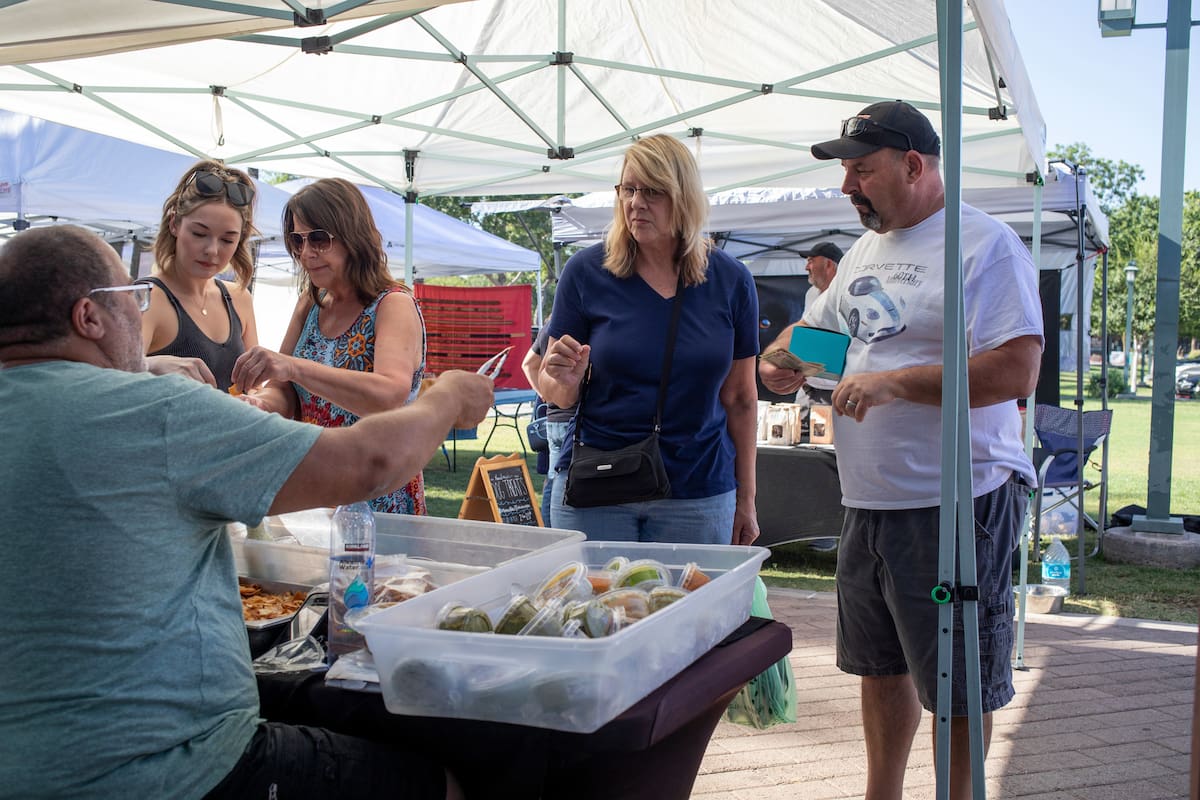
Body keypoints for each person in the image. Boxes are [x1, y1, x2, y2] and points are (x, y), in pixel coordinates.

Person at [0, 225, 493, 799]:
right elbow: (371, 462)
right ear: (89, 317)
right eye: (132, 298)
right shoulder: (154, 411)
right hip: (169, 766)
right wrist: (446, 398)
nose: (140, 313)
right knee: (446, 783)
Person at [759, 101, 1043, 800]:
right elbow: (827, 340)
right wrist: (784, 361)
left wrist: (895, 384)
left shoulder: (984, 245)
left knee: (959, 685)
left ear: (913, 165)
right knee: (879, 669)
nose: (847, 186)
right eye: (847, 172)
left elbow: (1016, 370)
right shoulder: (866, 251)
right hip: (868, 502)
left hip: (957, 504)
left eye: (862, 170)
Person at [540, 134, 761, 546]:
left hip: (698, 491)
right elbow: (556, 391)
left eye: (653, 191)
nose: (636, 203)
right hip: (599, 485)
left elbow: (741, 398)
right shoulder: (586, 272)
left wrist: (747, 497)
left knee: (694, 593)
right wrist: (562, 379)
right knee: (591, 593)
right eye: (628, 189)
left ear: (684, 197)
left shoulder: (731, 280)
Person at [232, 178, 429, 514]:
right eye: (297, 240)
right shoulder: (310, 303)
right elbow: (284, 390)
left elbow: (388, 395)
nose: (306, 253)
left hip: (381, 497)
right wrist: (259, 404)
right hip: (319, 492)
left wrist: (294, 367)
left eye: (319, 239)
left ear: (353, 235)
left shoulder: (392, 304)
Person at [140, 160, 261, 391]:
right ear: (174, 224)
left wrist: (257, 396)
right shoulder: (147, 299)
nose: (212, 250)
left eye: (227, 240)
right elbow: (110, 377)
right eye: (199, 233)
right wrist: (149, 366)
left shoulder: (240, 298)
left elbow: (254, 385)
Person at [521, 324, 577, 526]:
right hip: (572, 418)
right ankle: (553, 529)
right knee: (563, 482)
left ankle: (549, 530)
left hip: (554, 420)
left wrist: (545, 393)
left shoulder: (550, 326)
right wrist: (546, 393)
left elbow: (528, 364)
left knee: (553, 480)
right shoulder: (578, 321)